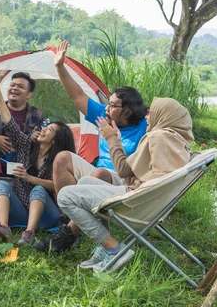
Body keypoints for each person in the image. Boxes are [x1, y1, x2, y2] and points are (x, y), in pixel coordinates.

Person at [34, 40, 148, 252]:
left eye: (113, 105)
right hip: (99, 172)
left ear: (128, 112)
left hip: (123, 178)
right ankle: (68, 221)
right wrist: (59, 67)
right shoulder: (104, 114)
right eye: (109, 103)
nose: (107, 108)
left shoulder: (145, 127)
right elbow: (76, 95)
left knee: (99, 173)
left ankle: (68, 234)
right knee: (63, 159)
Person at [58, 97, 194, 272]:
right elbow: (138, 173)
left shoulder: (158, 138)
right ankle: (103, 247)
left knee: (65, 196)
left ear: (164, 115)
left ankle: (113, 248)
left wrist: (112, 139)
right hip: (151, 202)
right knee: (85, 181)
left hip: (137, 203)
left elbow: (124, 171)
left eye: (151, 112)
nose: (147, 116)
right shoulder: (177, 141)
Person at [0, 70, 76, 245]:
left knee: (39, 190)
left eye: (49, 129)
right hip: (23, 209)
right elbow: (7, 120)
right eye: (45, 127)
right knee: (1, 184)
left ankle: (29, 233)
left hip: (47, 215)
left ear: (56, 140)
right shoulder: (26, 144)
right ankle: (4, 227)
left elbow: (60, 185)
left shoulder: (60, 159)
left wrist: (29, 178)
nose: (42, 129)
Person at [0, 71, 46, 166]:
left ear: (29, 94)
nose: (14, 88)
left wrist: (37, 138)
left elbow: (44, 142)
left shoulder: (37, 114)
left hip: (24, 169)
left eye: (21, 86)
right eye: (12, 85)